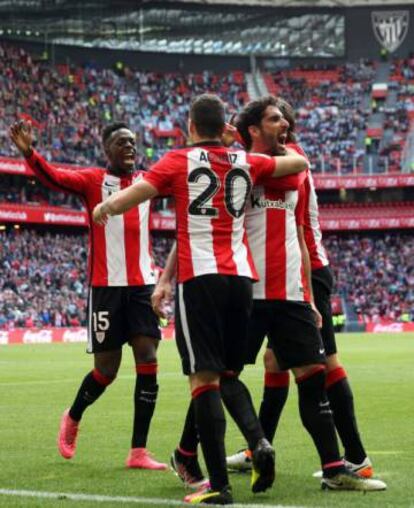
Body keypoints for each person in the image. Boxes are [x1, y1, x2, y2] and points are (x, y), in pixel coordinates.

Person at [93, 93, 309, 505]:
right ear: (223, 127)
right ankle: (259, 442)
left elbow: (136, 193)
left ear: (191, 126)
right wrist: (251, 147)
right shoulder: (245, 161)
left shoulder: (177, 161)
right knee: (228, 375)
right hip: (242, 279)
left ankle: (218, 486)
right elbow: (297, 163)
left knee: (203, 381)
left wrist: (105, 206)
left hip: (201, 278)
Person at [221, 96, 385, 492]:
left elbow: (272, 173)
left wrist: (237, 148)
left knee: (322, 364)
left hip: (305, 270)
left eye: (283, 120)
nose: (283, 126)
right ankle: (257, 446)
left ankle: (356, 457)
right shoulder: (274, 156)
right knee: (275, 360)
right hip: (286, 275)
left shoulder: (293, 157)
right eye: (274, 120)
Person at [9, 120, 167, 470]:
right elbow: (54, 177)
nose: (130, 148)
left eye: (132, 143)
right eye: (122, 143)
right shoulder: (92, 180)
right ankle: (73, 415)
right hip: (106, 288)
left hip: (142, 285)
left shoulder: (149, 180)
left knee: (148, 356)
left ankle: (138, 451)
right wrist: (29, 154)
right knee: (106, 370)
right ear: (106, 150)